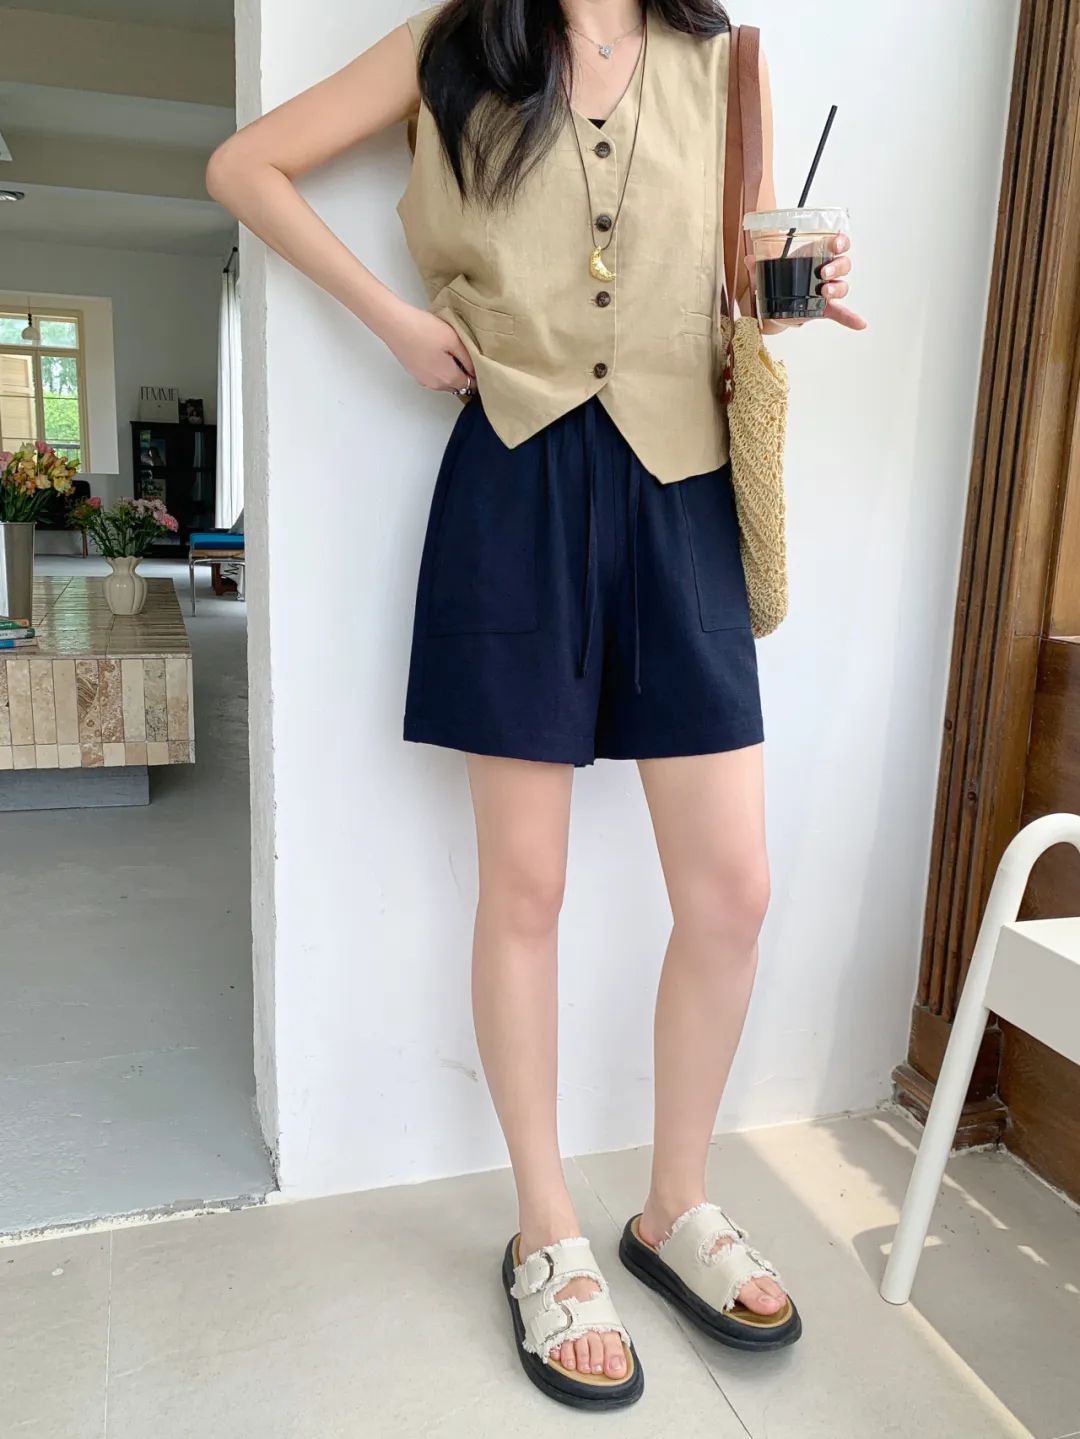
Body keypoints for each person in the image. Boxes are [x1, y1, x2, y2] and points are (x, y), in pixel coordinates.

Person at [207, 0, 866, 1411]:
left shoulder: (726, 61)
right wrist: (396, 321)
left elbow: (735, 283)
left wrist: (794, 282)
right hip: (515, 484)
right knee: (526, 884)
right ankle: (547, 1227)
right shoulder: (450, 44)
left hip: (686, 495)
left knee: (733, 888)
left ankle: (673, 1205)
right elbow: (243, 165)